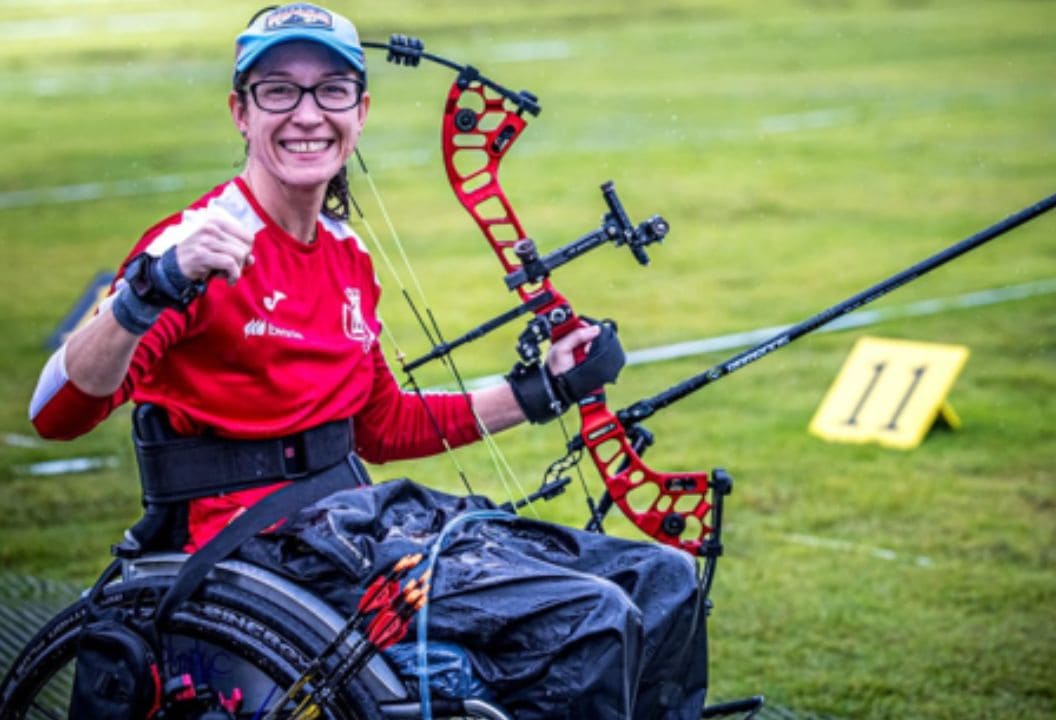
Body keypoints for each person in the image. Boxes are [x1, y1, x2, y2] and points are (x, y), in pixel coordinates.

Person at [28, 4, 707, 718]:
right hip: (256, 554)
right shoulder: (195, 245)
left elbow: (383, 426)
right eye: (278, 90)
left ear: (360, 109)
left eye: (330, 90)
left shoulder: (345, 255)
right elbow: (56, 411)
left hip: (353, 528)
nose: (307, 114)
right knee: (588, 617)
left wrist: (548, 388)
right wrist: (151, 287)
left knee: (663, 580)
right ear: (240, 111)